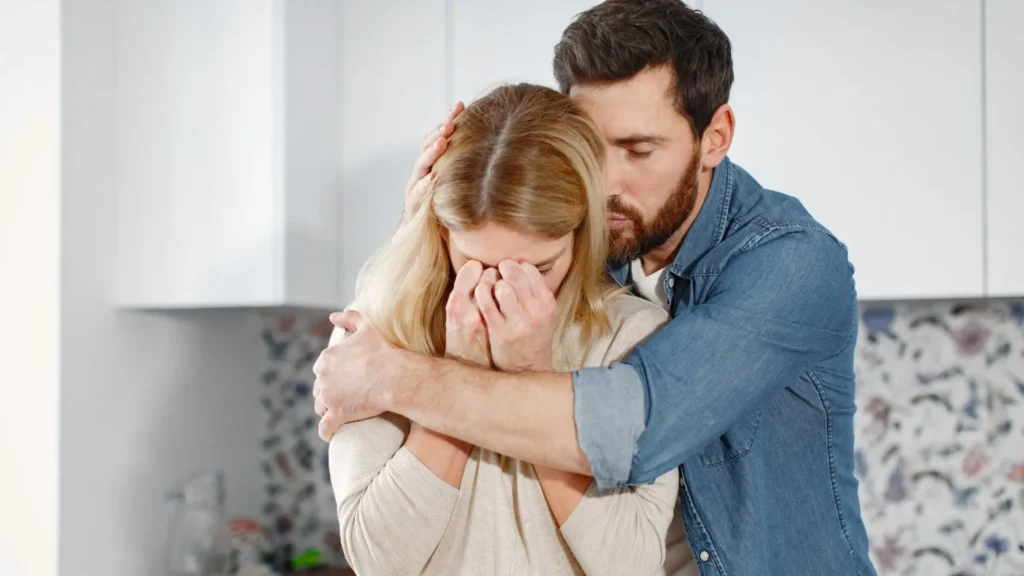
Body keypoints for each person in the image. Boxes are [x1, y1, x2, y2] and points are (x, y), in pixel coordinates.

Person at [314, 1, 877, 575]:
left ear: (715, 137)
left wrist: (389, 376)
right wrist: (427, 230)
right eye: (589, 147)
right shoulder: (592, 248)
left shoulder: (793, 263)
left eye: (638, 150)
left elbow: (627, 426)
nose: (602, 184)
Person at [325, 83, 693, 575]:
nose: (501, 292)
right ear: (440, 231)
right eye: (476, 263)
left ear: (582, 235)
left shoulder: (636, 338)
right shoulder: (379, 336)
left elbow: (630, 565)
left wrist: (531, 375)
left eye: (538, 270)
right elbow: (380, 561)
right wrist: (460, 369)